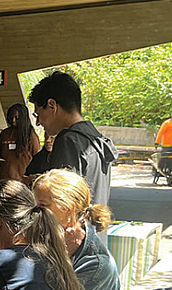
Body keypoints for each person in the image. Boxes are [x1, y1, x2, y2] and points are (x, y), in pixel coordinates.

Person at [27, 71, 118, 206]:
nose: (38, 122)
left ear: (52, 105)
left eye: (38, 114)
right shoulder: (97, 139)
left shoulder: (68, 141)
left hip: (72, 226)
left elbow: (60, 203)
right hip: (95, 224)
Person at [0, 103, 41, 181]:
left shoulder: (30, 135)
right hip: (4, 178)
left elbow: (38, 158)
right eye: (11, 117)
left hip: (22, 180)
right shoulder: (5, 133)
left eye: (16, 118)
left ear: (23, 118)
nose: (13, 120)